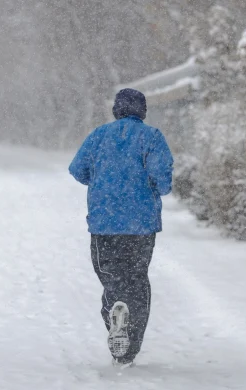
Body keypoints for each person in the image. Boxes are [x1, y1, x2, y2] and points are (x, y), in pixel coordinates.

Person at [68, 88, 173, 366]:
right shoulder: (151, 137)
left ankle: (115, 312)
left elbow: (78, 170)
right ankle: (130, 348)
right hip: (141, 225)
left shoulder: (98, 136)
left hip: (104, 223)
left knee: (111, 277)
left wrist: (102, 178)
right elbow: (163, 180)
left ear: (116, 109)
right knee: (137, 278)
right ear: (142, 111)